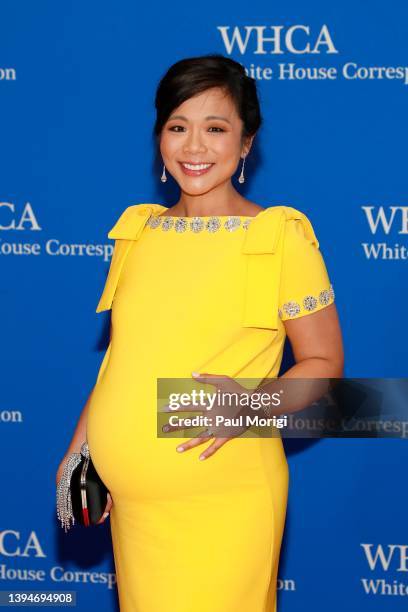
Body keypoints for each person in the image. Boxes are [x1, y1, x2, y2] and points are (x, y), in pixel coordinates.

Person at [56, 54, 344, 611]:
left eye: (216, 129)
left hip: (225, 497)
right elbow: (123, 356)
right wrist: (80, 452)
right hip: (133, 505)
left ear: (245, 144)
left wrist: (250, 407)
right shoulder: (139, 231)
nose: (194, 147)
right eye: (178, 127)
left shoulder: (279, 236)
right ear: (159, 137)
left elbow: (324, 364)